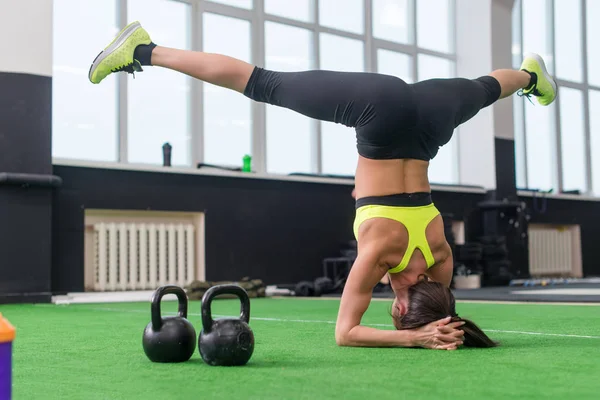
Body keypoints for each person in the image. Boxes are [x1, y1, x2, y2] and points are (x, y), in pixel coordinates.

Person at [89, 21, 557, 351]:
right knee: (263, 83)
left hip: (430, 119)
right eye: (395, 313)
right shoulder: (381, 255)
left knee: (483, 88)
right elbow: (346, 333)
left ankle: (531, 75)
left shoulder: (440, 257)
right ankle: (143, 50)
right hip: (380, 112)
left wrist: (436, 326)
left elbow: (439, 304)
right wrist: (414, 337)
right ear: (398, 309)